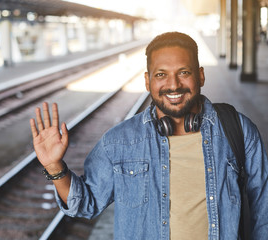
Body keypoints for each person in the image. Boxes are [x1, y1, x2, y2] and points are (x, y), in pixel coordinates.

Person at [30, 32, 268, 239]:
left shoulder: (239, 131)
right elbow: (86, 204)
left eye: (184, 72)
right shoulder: (119, 141)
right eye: (161, 74)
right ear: (147, 81)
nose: (173, 85)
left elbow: (263, 210)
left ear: (201, 76)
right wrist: (54, 167)